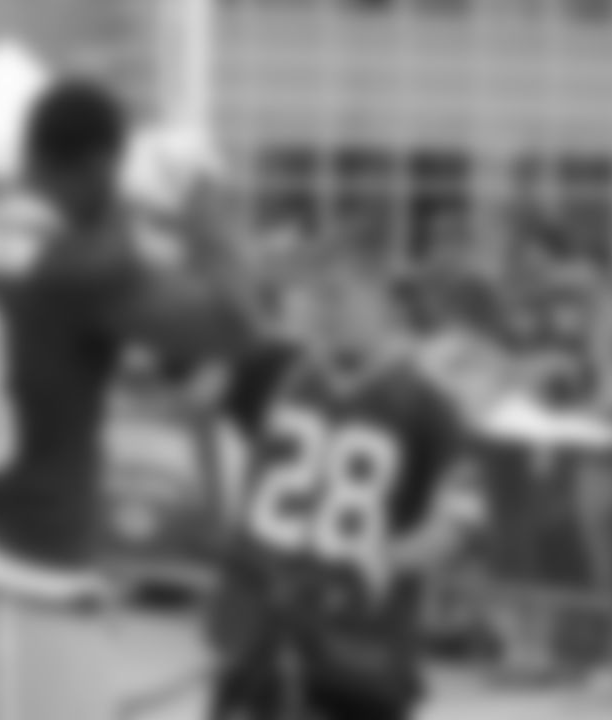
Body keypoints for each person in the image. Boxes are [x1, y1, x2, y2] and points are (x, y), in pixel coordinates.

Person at [0, 77, 257, 720]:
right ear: (100, 167)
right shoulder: (77, 264)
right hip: (24, 591)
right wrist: (210, 222)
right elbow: (232, 322)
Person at [204, 244, 480, 720]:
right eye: (319, 296)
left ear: (386, 306)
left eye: (341, 297)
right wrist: (226, 525)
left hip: (358, 642)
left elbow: (458, 521)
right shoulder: (272, 369)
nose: (326, 311)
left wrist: (390, 557)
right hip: (258, 621)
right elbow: (199, 407)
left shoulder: (429, 406)